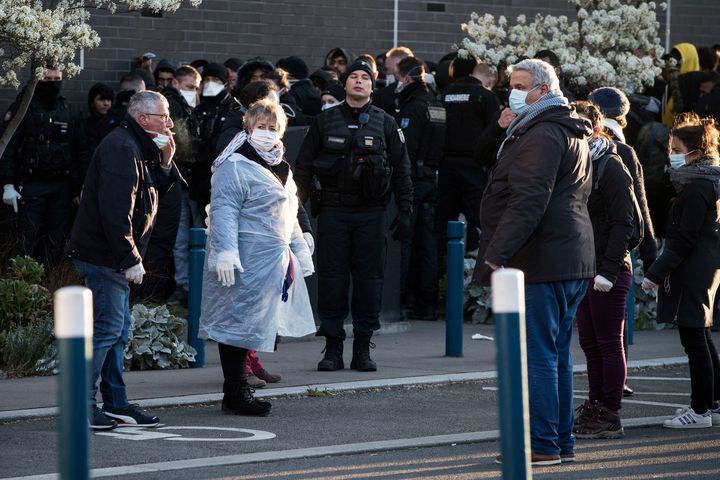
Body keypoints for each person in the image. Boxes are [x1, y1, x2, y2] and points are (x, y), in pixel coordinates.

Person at [473, 59, 595, 465]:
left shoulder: (542, 132)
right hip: (568, 255)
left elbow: (528, 201)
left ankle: (543, 444)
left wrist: (494, 256)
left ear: (543, 90)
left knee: (540, 356)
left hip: (543, 259)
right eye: (511, 84)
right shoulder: (565, 127)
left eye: (521, 85)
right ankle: (560, 443)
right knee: (556, 355)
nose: (513, 91)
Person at [66, 91, 182, 429]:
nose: (169, 123)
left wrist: (165, 160)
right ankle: (81, 405)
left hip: (111, 256)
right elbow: (115, 212)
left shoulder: (136, 145)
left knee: (116, 331)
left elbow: (152, 190)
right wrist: (129, 258)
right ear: (143, 118)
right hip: (106, 256)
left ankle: (115, 402)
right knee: (107, 330)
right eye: (163, 116)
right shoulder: (122, 147)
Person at [295, 59, 413, 372]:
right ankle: (332, 348)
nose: (358, 81)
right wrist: (295, 211)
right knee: (332, 281)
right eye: (353, 77)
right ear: (345, 85)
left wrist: (405, 209)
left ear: (373, 86)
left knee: (369, 282)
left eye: (365, 77)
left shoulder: (385, 123)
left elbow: (402, 170)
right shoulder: (325, 121)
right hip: (333, 211)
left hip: (371, 214)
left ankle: (362, 348)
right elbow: (303, 168)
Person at [200, 100, 316, 416]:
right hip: (240, 258)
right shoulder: (234, 165)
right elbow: (224, 209)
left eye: (272, 128)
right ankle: (236, 392)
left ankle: (238, 392)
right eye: (260, 127)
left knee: (251, 323)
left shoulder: (280, 166)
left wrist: (301, 247)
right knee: (236, 323)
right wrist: (225, 251)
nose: (266, 134)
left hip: (268, 261)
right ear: (248, 129)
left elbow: (289, 211)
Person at [642, 113, 720, 428]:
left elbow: (683, 239)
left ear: (695, 153)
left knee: (694, 340)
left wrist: (654, 275)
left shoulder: (697, 185)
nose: (670, 153)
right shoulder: (708, 180)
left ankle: (700, 410)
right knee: (701, 335)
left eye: (675, 148)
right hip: (705, 266)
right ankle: (712, 403)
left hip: (693, 269)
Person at [588, 86, 660, 397]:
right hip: (606, 254)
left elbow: (635, 212)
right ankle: (610, 390)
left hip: (611, 256)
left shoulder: (617, 153)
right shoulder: (615, 148)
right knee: (605, 336)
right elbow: (641, 207)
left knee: (607, 336)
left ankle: (610, 396)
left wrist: (651, 259)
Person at [571, 101, 635, 440]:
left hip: (608, 270)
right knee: (590, 344)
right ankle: (595, 405)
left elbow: (627, 223)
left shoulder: (610, 164)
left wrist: (608, 272)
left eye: (582, 124)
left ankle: (609, 412)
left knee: (610, 343)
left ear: (597, 128)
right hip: (584, 268)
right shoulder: (576, 163)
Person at [1, 68, 79, 268]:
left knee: (56, 241)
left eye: (57, 79)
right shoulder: (23, 107)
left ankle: (49, 288)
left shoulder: (66, 107)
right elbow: (7, 147)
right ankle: (21, 288)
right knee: (27, 239)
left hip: (60, 186)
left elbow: (78, 149)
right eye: (47, 79)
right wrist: (8, 184)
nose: (52, 83)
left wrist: (78, 187)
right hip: (31, 184)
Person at [394, 57, 445, 320]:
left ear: (406, 77)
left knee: (406, 241)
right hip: (431, 179)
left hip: (413, 180)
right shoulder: (436, 104)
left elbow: (406, 148)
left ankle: (401, 301)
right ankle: (427, 304)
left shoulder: (413, 107)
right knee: (427, 244)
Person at [438, 56, 501, 253]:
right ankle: (475, 270)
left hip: (446, 165)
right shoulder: (485, 96)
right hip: (475, 167)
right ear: (488, 78)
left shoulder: (444, 94)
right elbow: (494, 132)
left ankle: (443, 273)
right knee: (478, 221)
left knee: (443, 223)